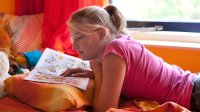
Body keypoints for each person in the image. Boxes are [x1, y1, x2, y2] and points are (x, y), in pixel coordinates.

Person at [61, 4, 200, 112]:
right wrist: (95, 74)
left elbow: (106, 109)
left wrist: (97, 71)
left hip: (193, 96)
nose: (74, 46)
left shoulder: (115, 53)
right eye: (73, 39)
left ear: (101, 33)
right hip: (193, 85)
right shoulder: (119, 42)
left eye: (79, 37)